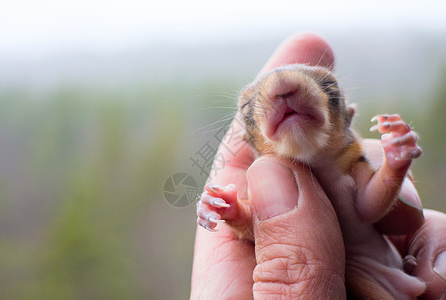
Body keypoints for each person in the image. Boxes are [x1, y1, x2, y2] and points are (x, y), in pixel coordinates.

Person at [190, 33, 446, 299]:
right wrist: (232, 210)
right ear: (251, 143)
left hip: (390, 273)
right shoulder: (265, 187)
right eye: (247, 107)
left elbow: (371, 206)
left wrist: (394, 166)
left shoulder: (352, 162)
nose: (282, 89)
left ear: (347, 119)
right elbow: (255, 226)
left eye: (327, 86)